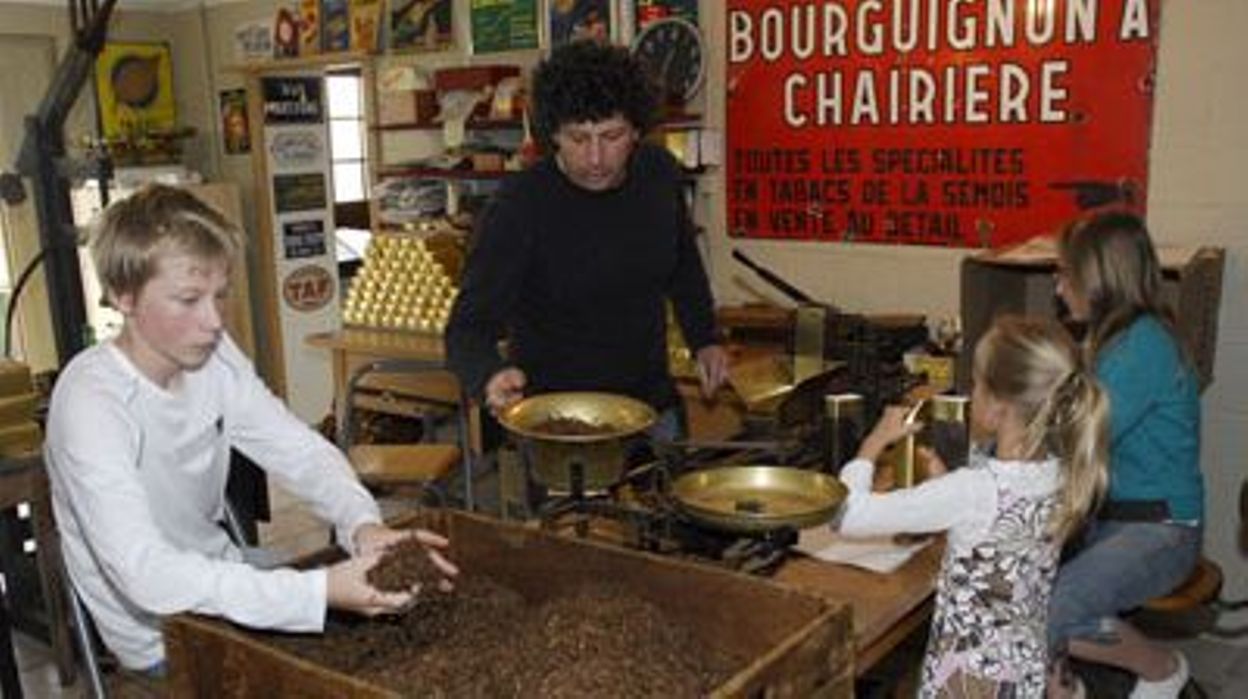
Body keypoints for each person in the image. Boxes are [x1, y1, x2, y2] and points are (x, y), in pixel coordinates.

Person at [45, 184, 458, 675]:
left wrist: (361, 524)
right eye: (188, 299)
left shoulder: (212, 359)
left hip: (226, 574)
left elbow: (297, 450)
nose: (214, 321)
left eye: (220, 295)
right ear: (123, 296)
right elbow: (146, 574)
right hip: (160, 631)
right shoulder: (92, 404)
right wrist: (320, 590)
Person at [445, 40, 728, 439]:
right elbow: (467, 328)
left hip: (651, 410)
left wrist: (705, 339)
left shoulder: (658, 174)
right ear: (552, 135)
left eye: (611, 136)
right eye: (579, 139)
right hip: (557, 424)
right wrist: (488, 376)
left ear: (636, 130)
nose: (596, 158)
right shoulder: (520, 205)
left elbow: (682, 264)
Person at [836, 316, 1109, 698]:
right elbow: (997, 540)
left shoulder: (971, 490)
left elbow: (846, 515)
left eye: (978, 383)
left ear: (998, 407)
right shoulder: (1063, 475)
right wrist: (946, 485)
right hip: (1019, 673)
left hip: (965, 682)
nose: (972, 390)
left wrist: (874, 441)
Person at [1047, 211, 1203, 699]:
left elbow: (1071, 437)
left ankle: (1162, 671)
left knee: (1047, 610)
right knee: (1019, 587)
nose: (1057, 286)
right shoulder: (1112, 340)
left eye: (1064, 272)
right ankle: (1063, 687)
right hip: (1114, 519)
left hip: (1161, 530)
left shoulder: (1142, 348)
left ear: (1097, 278)